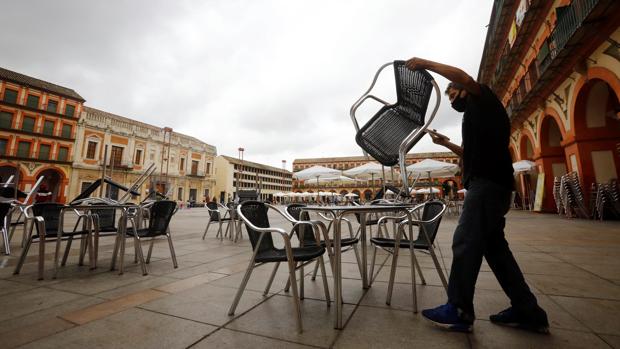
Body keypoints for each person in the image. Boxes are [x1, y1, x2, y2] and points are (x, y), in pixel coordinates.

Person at [405, 57, 549, 333]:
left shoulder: (481, 98)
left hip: (487, 185)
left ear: (462, 88)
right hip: (493, 185)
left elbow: (465, 77)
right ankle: (527, 310)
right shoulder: (476, 116)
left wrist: (423, 63)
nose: (451, 101)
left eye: (452, 94)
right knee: (496, 251)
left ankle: (458, 309)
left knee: (465, 241)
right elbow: (470, 154)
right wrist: (446, 144)